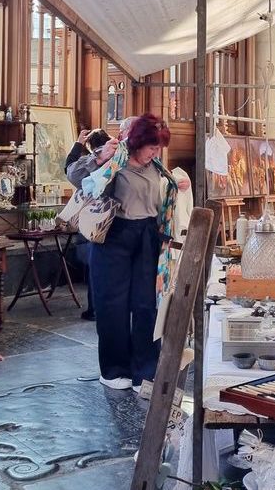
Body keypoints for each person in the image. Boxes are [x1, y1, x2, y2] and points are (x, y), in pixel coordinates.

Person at [66, 113, 178, 391]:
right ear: (138, 142)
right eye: (152, 146)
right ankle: (114, 369)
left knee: (145, 305)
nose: (156, 152)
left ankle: (145, 372)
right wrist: (100, 156)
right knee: (111, 304)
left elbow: (160, 195)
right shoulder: (116, 158)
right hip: (114, 235)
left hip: (148, 236)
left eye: (159, 147)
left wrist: (177, 186)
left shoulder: (156, 166)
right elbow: (75, 175)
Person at [63, 127, 113, 321]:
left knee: (95, 267)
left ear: (91, 146)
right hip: (117, 218)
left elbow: (68, 169)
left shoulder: (90, 162)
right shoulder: (118, 159)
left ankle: (94, 308)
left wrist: (77, 144)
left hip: (93, 221)